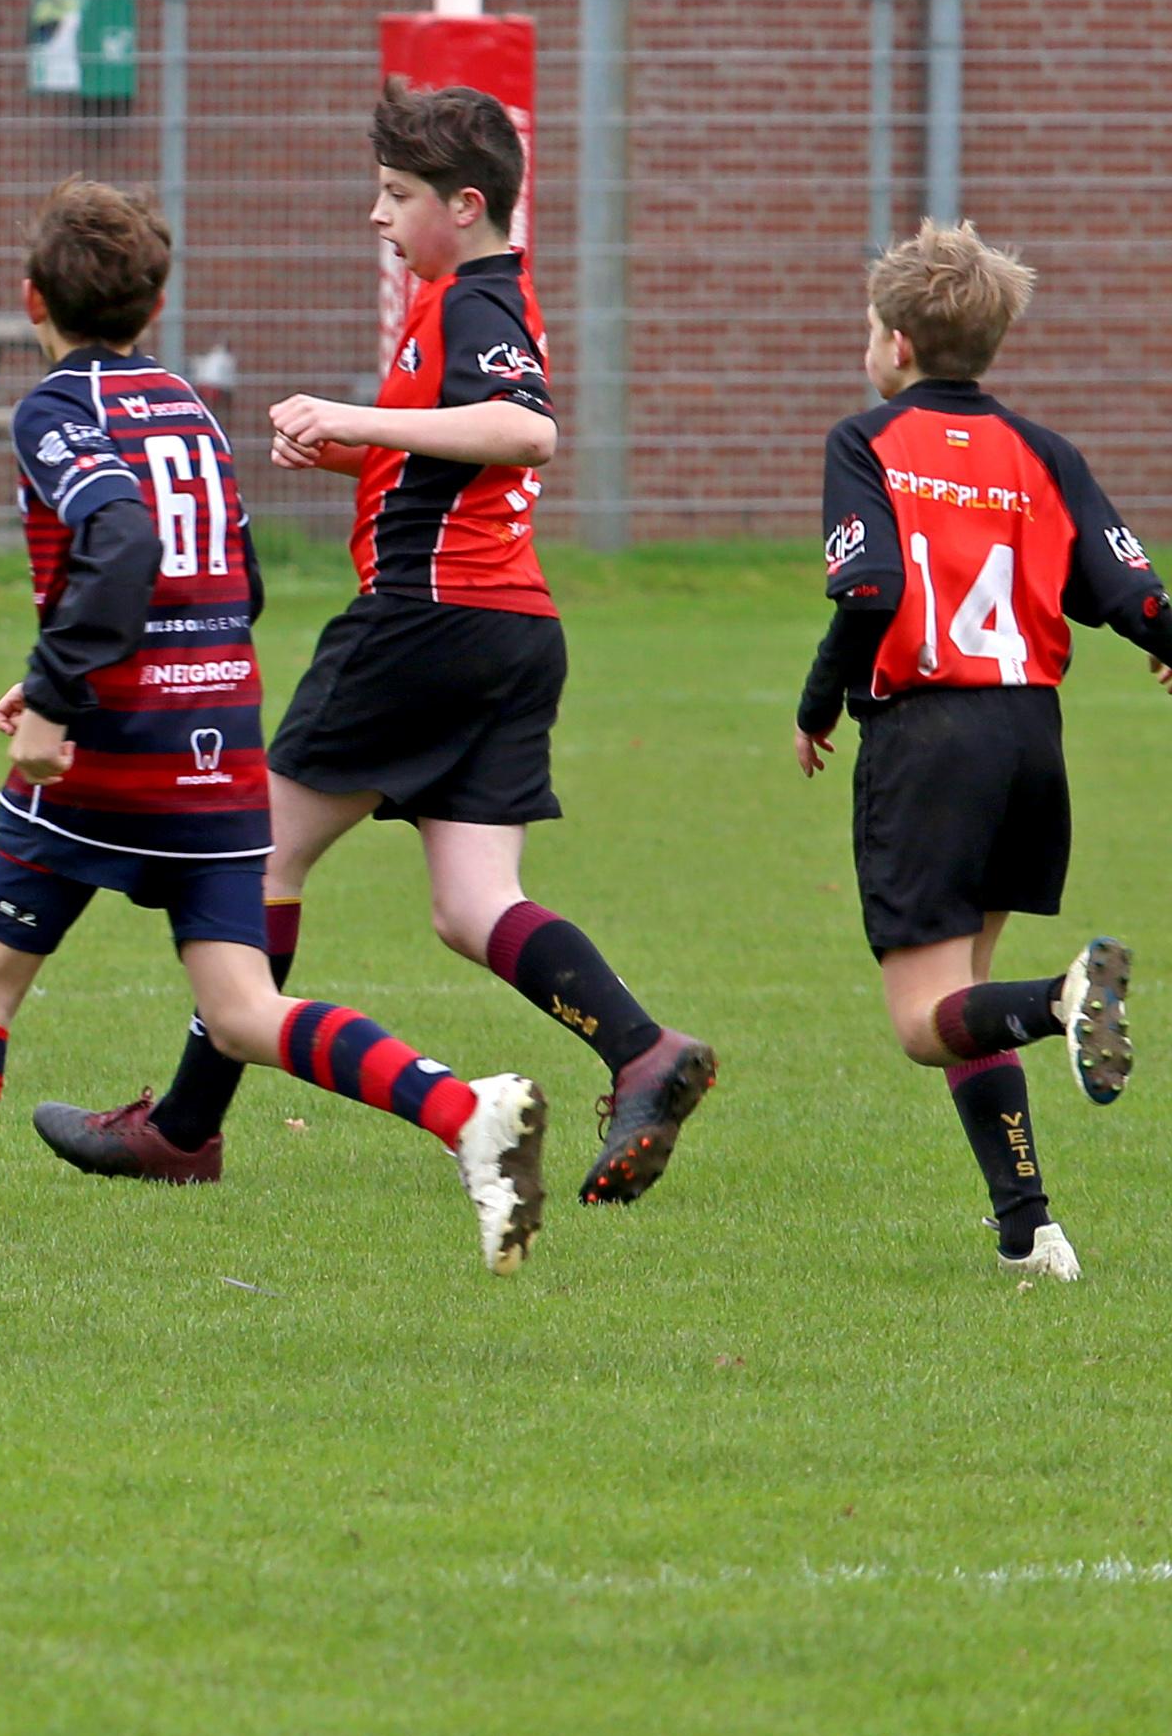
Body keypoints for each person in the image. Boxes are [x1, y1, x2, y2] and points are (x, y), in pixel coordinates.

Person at [0, 180, 545, 1358]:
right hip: (220, 736)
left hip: (116, 747)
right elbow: (233, 581)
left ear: (30, 299)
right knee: (243, 1012)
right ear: (155, 303)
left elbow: (120, 537)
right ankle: (462, 1111)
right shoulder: (188, 405)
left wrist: (59, 698)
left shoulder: (57, 403)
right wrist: (69, 661)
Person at [37, 81, 717, 1205]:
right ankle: (642, 1055)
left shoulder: (474, 303)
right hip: (508, 628)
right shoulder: (463, 299)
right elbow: (463, 451)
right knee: (470, 906)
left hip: (423, 622)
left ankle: (185, 1127)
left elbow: (525, 429)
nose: (376, 215)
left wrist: (356, 418)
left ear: (464, 204)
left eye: (395, 195)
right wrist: (365, 455)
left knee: (256, 859)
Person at [795, 222, 1172, 1281]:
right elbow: (1128, 585)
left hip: (929, 740)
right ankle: (1028, 1229)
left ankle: (1061, 1000)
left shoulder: (864, 440)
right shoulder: (1042, 452)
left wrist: (817, 701)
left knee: (925, 1021)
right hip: (1029, 738)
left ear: (892, 341)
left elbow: (869, 588)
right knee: (961, 991)